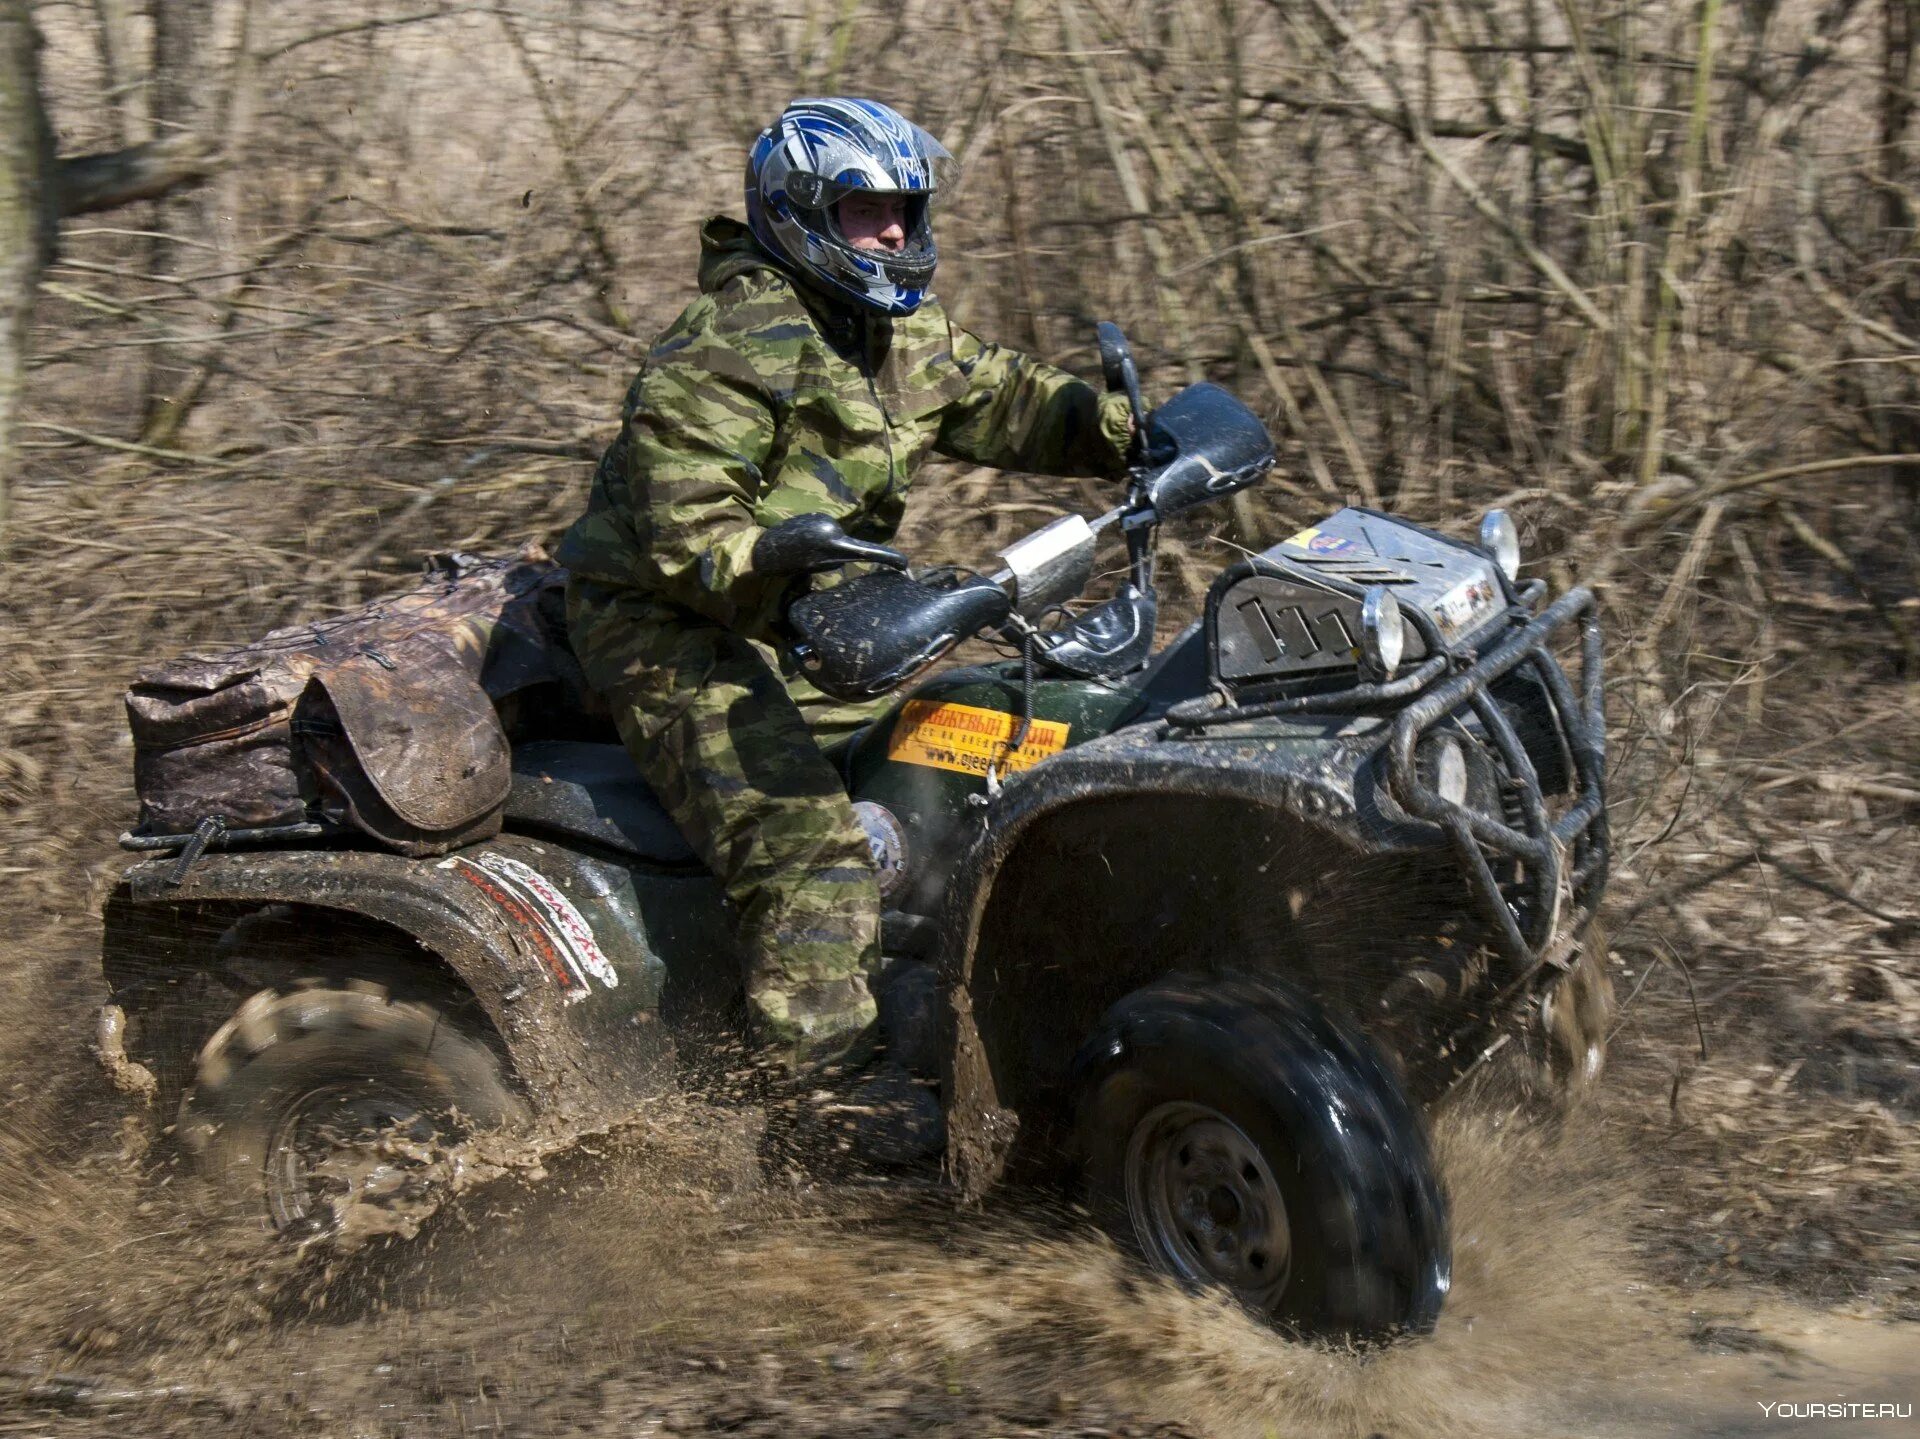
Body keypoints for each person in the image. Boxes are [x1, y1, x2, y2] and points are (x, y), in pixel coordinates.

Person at [556, 98, 1134, 1128]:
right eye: (870, 211)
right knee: (811, 850)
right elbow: (688, 540)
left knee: (943, 773)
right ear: (800, 210)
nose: (898, 235)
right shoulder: (725, 346)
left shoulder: (887, 332)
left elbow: (1004, 397)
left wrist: (1133, 434)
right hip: (673, 628)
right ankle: (819, 1112)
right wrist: (779, 558)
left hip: (812, 620)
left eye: (907, 211)